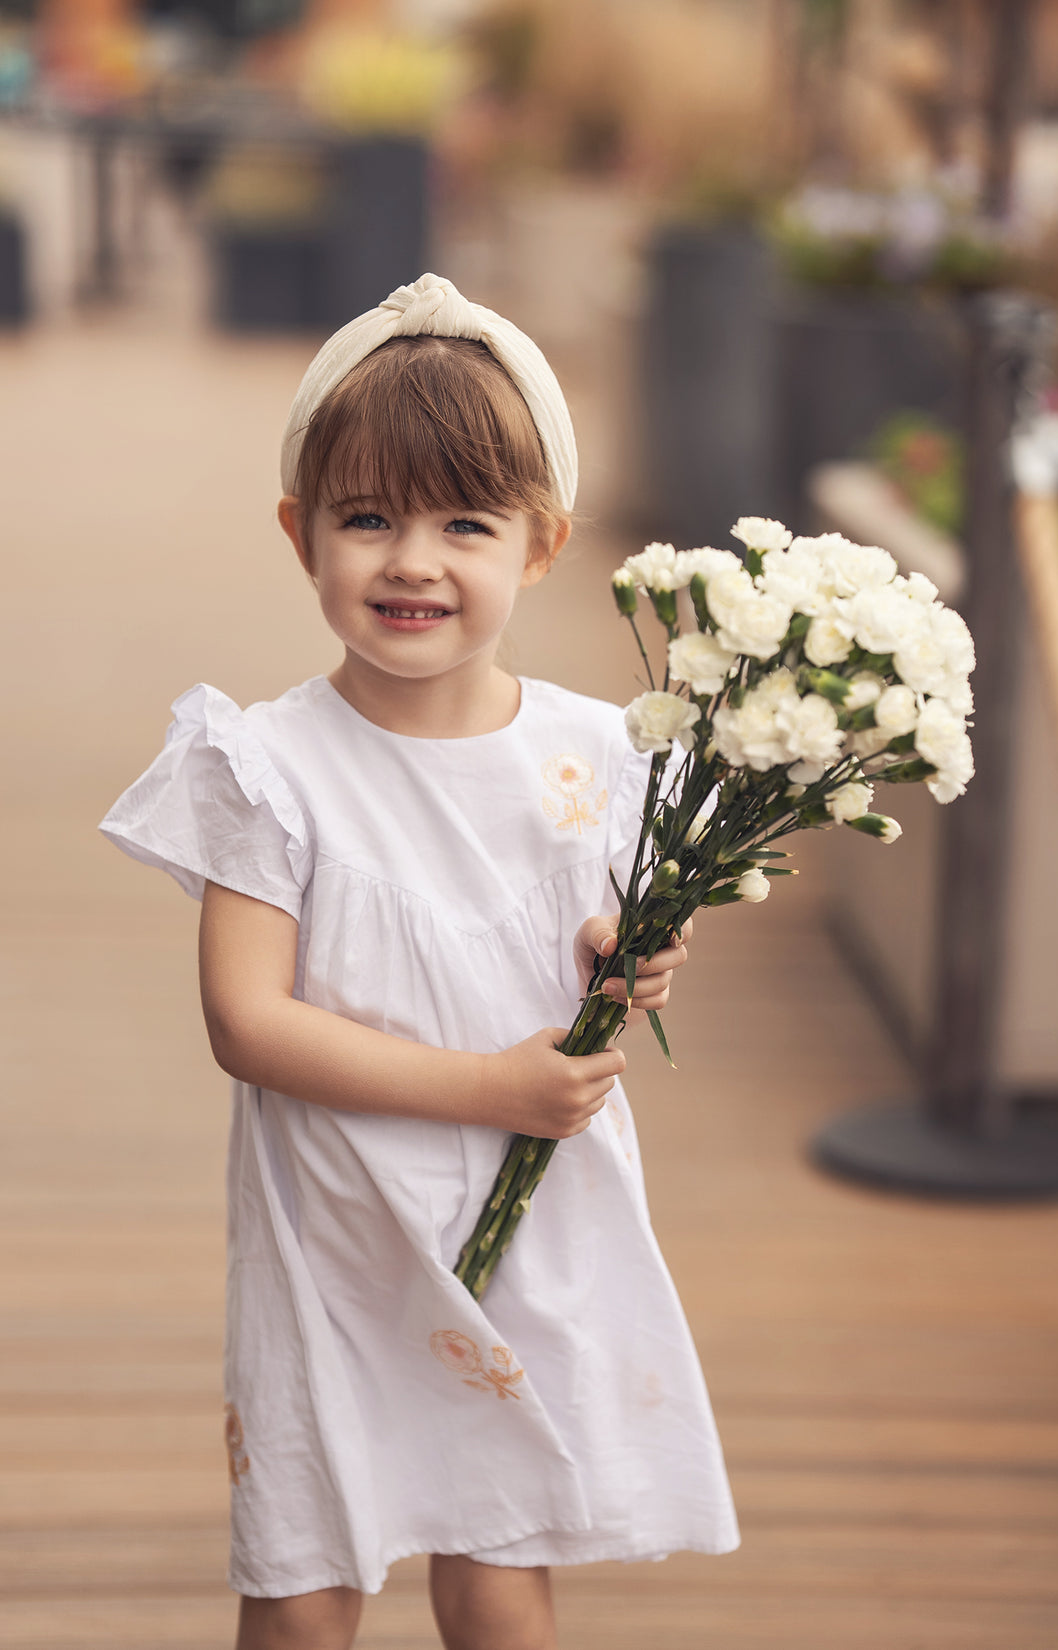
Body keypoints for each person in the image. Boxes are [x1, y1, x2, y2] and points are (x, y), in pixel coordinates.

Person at [99, 273, 738, 1650]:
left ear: (543, 541)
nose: (412, 560)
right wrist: (488, 1087)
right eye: (368, 516)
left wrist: (634, 960)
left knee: (501, 1559)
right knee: (305, 1572)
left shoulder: (595, 757)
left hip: (526, 1224)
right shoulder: (269, 768)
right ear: (301, 532)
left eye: (466, 523)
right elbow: (246, 1020)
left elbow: (616, 948)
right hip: (333, 1231)